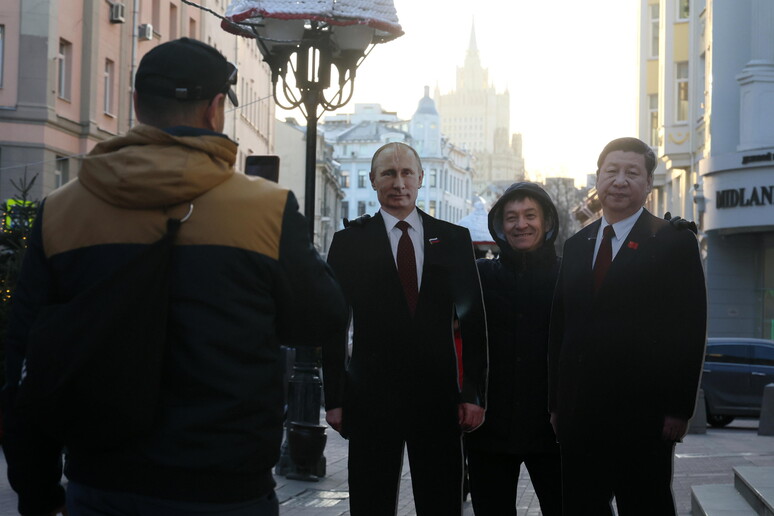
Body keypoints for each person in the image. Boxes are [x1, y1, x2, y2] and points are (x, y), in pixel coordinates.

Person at [2, 38, 347, 516]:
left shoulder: (62, 211)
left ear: (138, 105)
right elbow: (323, 320)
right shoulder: (266, 209)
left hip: (102, 485)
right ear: (215, 111)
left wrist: (37, 492)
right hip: (227, 488)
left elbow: (23, 364)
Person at [322, 142, 488, 515]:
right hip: (370, 399)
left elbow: (474, 322)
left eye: (406, 173)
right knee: (371, 500)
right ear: (373, 181)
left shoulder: (453, 240)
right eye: (388, 173)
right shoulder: (349, 242)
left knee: (441, 499)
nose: (399, 182)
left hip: (439, 399)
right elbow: (334, 324)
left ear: (420, 178)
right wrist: (334, 398)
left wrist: (473, 394)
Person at [548, 137, 707, 515]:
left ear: (648, 184)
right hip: (579, 415)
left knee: (645, 504)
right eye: (611, 172)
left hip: (644, 417)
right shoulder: (576, 244)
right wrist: (556, 404)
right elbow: (560, 329)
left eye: (632, 173)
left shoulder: (673, 242)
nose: (619, 181)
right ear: (598, 179)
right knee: (581, 505)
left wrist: (679, 408)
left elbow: (689, 329)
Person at [466, 182, 562, 515]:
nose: (520, 224)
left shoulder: (568, 276)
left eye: (530, 215)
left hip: (554, 432)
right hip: (489, 432)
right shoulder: (480, 276)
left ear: (547, 222)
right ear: (500, 226)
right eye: (511, 217)